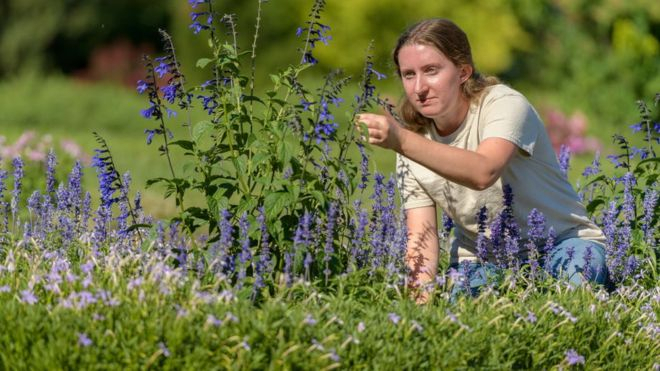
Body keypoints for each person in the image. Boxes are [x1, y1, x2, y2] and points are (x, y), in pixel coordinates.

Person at [356, 18, 608, 301]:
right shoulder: (415, 142)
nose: (419, 87)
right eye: (409, 74)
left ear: (463, 72)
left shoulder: (503, 104)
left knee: (575, 291)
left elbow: (484, 171)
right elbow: (421, 240)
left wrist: (400, 140)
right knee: (468, 318)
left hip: (562, 243)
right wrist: (417, 316)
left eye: (431, 71)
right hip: (484, 260)